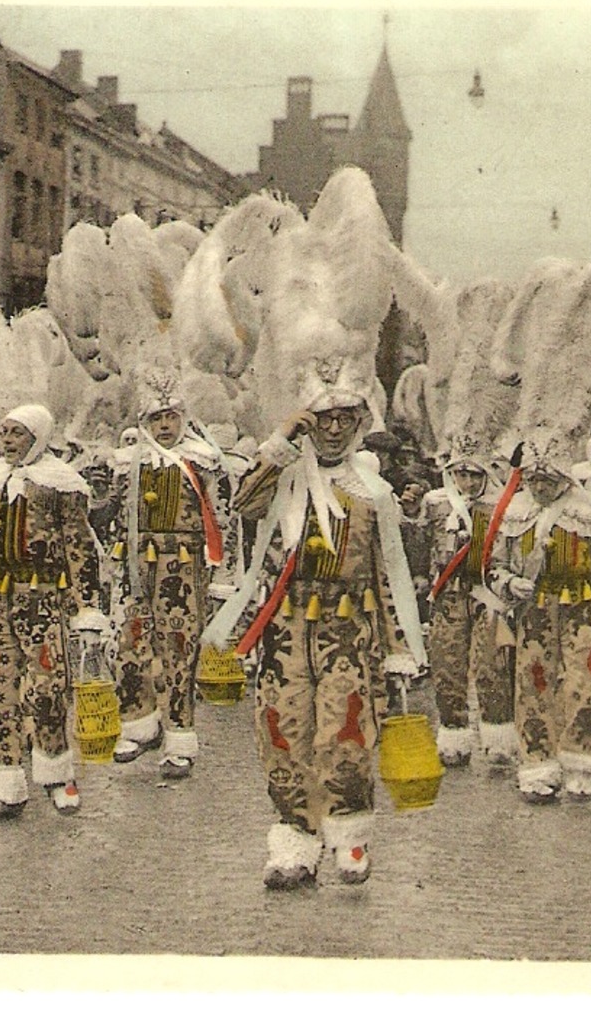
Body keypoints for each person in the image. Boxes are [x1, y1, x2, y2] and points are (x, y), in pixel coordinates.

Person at [213, 363, 428, 889]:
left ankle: (349, 835)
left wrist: (400, 648)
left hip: (349, 634)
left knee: (345, 738)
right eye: (322, 418)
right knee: (283, 737)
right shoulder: (284, 479)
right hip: (285, 633)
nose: (333, 429)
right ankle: (295, 840)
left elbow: (390, 573)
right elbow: (242, 503)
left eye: (344, 419)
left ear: (360, 423)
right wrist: (282, 438)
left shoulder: (373, 493)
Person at [0, 404, 106, 821]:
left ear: (38, 437)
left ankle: (58, 776)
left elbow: (79, 547)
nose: (8, 441)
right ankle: (4, 785)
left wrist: (87, 608)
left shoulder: (61, 485)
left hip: (40, 598)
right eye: (3, 432)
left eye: (17, 434)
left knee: (46, 690)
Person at [486, 438, 591, 804]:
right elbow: (493, 566)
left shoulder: (587, 511)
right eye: (534, 480)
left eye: (547, 481)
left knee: (586, 684)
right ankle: (537, 766)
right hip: (534, 612)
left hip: (582, 610)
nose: (539, 488)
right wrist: (510, 583)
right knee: (533, 685)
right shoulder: (514, 511)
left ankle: (580, 762)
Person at [107, 380, 226, 780]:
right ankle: (141, 723)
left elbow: (220, 515)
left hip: (184, 564)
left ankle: (179, 738)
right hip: (139, 565)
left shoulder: (203, 461)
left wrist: (221, 569)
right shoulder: (130, 463)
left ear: (183, 420)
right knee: (130, 642)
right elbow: (114, 512)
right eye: (156, 419)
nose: (163, 427)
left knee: (178, 647)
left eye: (170, 418)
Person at [421, 438, 517, 767]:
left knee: (493, 665)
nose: (469, 483)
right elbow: (420, 545)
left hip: (486, 593)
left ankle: (498, 736)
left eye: (475, 475)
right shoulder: (436, 503)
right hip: (448, 595)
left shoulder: (500, 506)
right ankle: (453, 733)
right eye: (462, 475)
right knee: (447, 665)